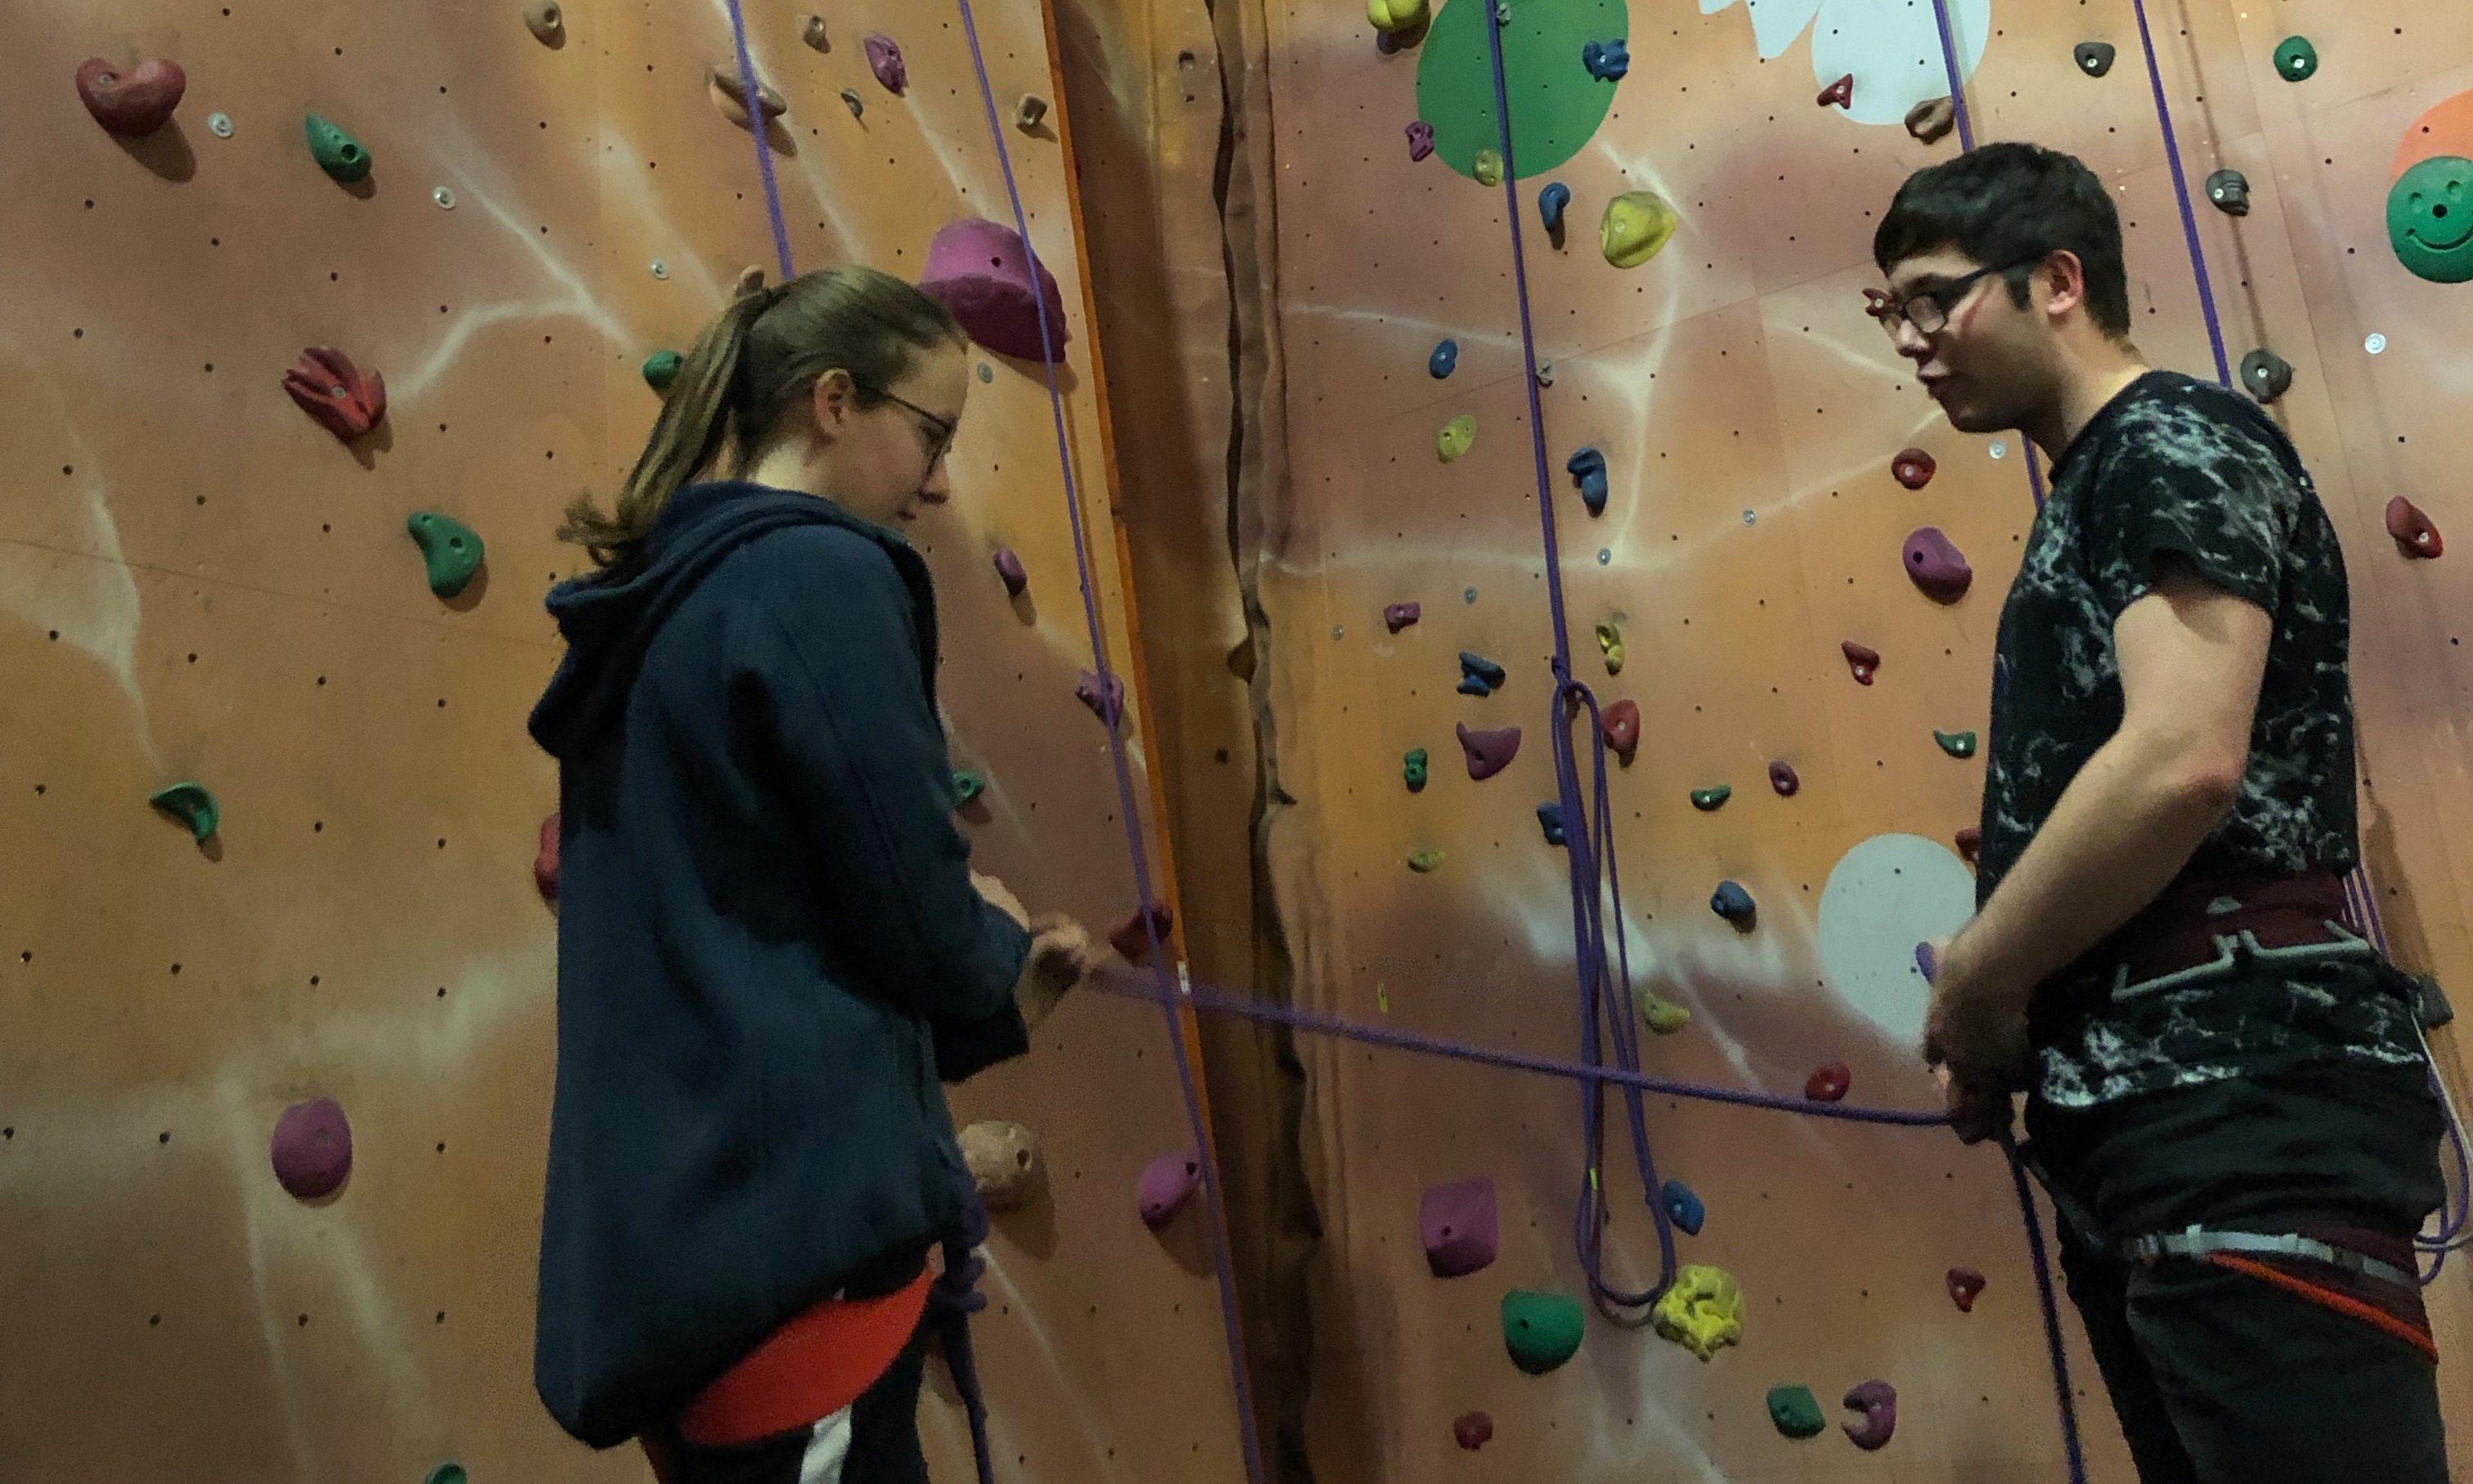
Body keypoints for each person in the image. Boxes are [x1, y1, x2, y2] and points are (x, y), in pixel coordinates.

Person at [1874, 143, 2451, 1482]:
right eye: (1888, 314)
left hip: (2234, 1101)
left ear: (2057, 280)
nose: (1910, 343)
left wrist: (1981, 979)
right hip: (2159, 1111)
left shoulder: (2167, 439)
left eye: (1931, 301)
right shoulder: (2097, 480)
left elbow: (2183, 760)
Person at [526, 263, 1094, 1484]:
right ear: (835, 401)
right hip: (783, 1261)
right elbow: (906, 879)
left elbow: (777, 925)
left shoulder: (663, 603)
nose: (939, 482)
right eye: (931, 434)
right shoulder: (814, 573)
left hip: (684, 1250)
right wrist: (1004, 974)